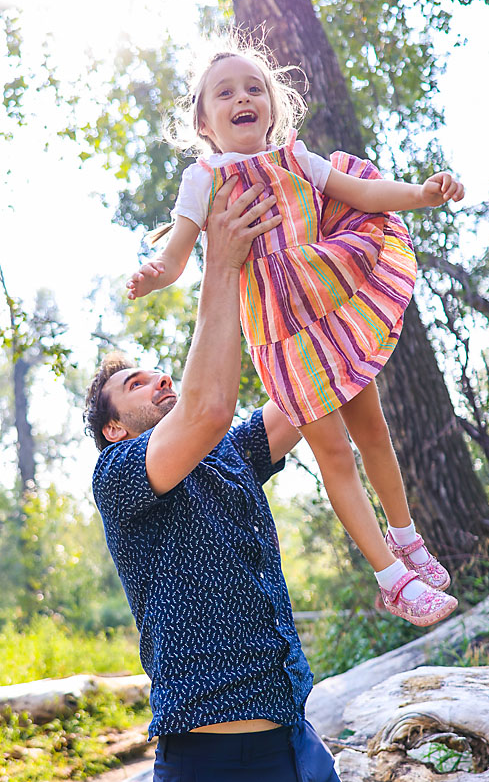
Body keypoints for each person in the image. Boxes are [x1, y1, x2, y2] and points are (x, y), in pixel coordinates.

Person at [85, 176, 399, 782]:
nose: (158, 378)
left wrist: (332, 275)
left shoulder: (226, 451)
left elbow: (309, 393)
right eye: (136, 383)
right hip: (210, 774)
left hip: (299, 749)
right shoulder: (121, 476)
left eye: (159, 370)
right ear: (115, 426)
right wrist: (215, 263)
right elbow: (207, 406)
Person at [125, 34, 465, 626]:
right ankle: (391, 579)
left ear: (273, 107)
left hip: (329, 311)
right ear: (204, 122)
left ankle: (407, 537)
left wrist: (421, 194)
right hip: (282, 337)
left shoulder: (296, 159)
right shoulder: (203, 178)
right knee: (334, 450)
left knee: (375, 432)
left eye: (254, 88)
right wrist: (156, 275)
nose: (242, 98)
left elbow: (360, 192)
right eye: (224, 93)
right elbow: (178, 253)